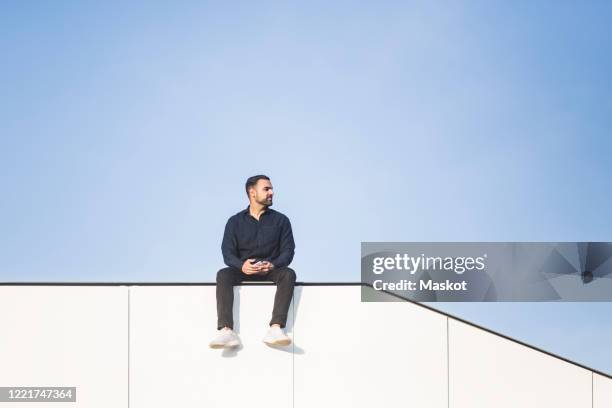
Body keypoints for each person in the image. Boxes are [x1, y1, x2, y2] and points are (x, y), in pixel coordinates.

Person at [209, 175, 296, 349]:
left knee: (288, 273)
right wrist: (242, 266)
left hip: (271, 270)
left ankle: (276, 328)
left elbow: (288, 251)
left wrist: (273, 264)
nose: (272, 192)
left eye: (271, 189)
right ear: (252, 192)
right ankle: (227, 331)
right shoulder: (234, 222)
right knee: (223, 274)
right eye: (266, 189)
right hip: (243, 270)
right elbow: (227, 253)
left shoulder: (282, 221)